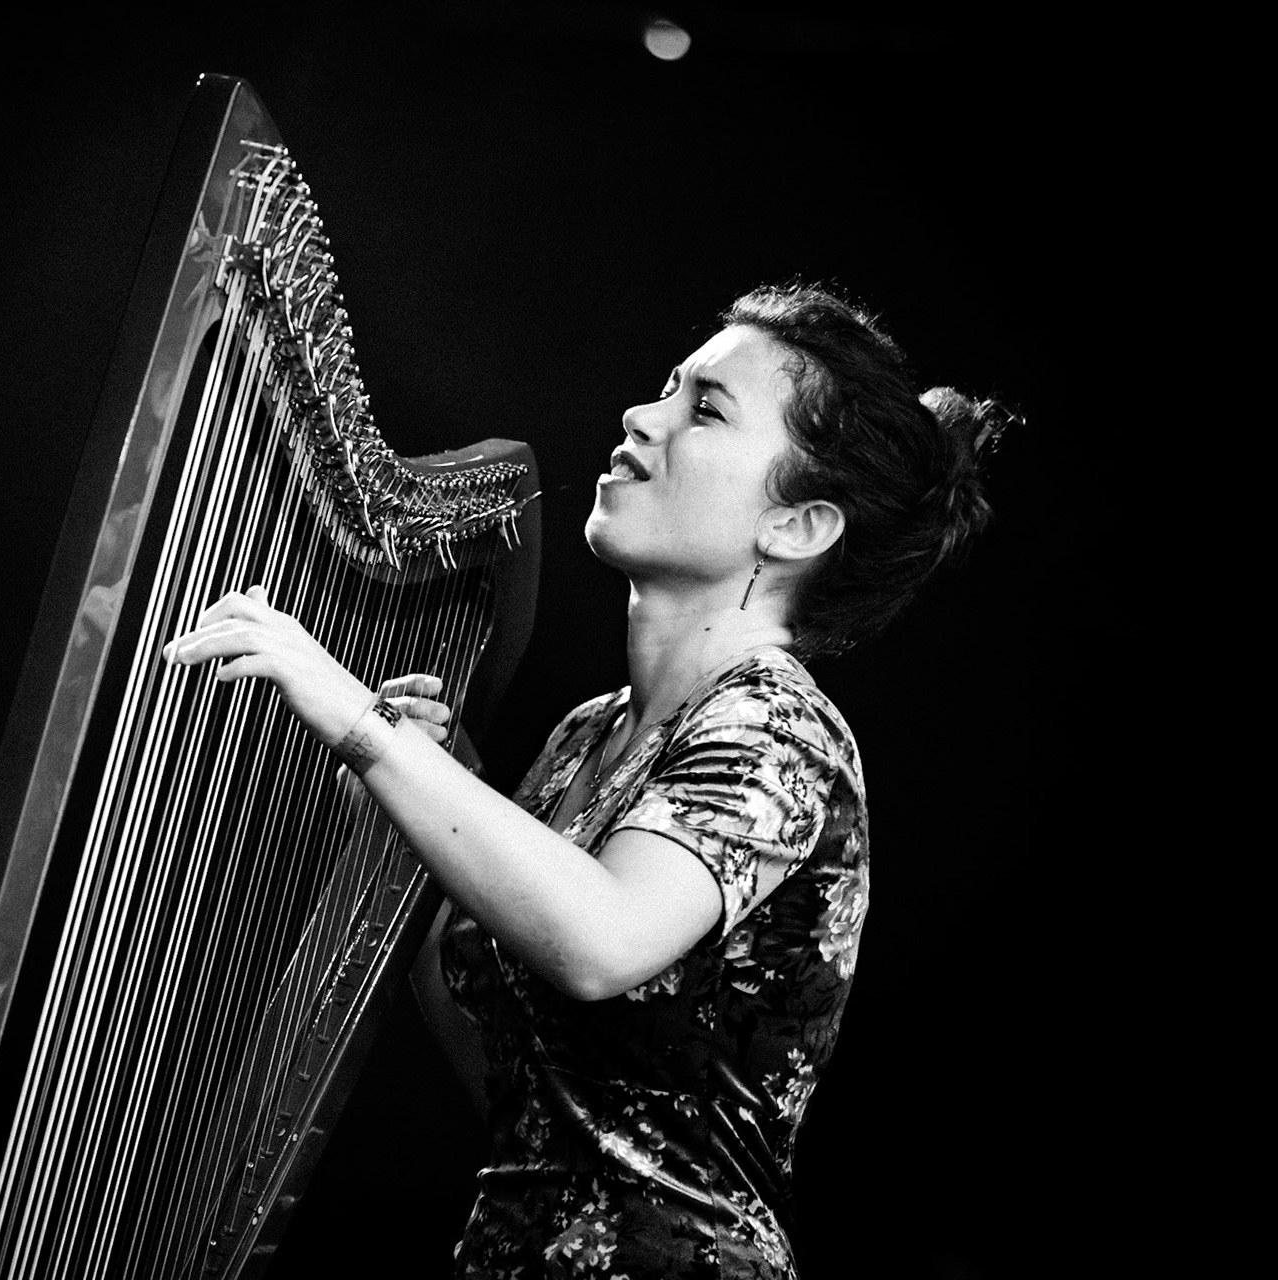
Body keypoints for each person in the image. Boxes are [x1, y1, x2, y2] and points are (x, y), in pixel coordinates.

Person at [162, 282, 1013, 1278]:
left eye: (705, 408)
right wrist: (409, 805)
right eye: (665, 387)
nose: (641, 416)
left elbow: (600, 940)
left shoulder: (783, 727)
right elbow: (518, 1066)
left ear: (796, 526)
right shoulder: (587, 735)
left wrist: (357, 722)